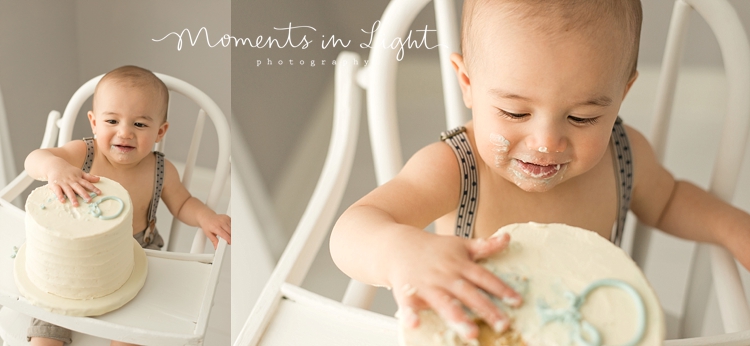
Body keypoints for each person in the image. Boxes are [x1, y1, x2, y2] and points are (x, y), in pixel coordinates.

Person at [329, 0, 750, 342]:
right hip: (486, 331)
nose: (547, 142)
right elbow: (352, 231)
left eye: (582, 117)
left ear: (622, 94)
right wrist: (400, 252)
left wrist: (734, 228)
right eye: (515, 112)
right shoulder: (458, 166)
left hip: (587, 329)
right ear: (468, 83)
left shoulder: (623, 155)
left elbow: (670, 199)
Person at [24, 65, 231, 346]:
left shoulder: (161, 169)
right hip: (76, 252)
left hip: (135, 251)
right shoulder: (84, 153)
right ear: (94, 122)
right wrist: (55, 167)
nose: (125, 132)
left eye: (140, 124)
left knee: (135, 323)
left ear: (160, 131)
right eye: (111, 121)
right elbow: (35, 158)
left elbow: (183, 203)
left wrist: (206, 217)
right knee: (50, 313)